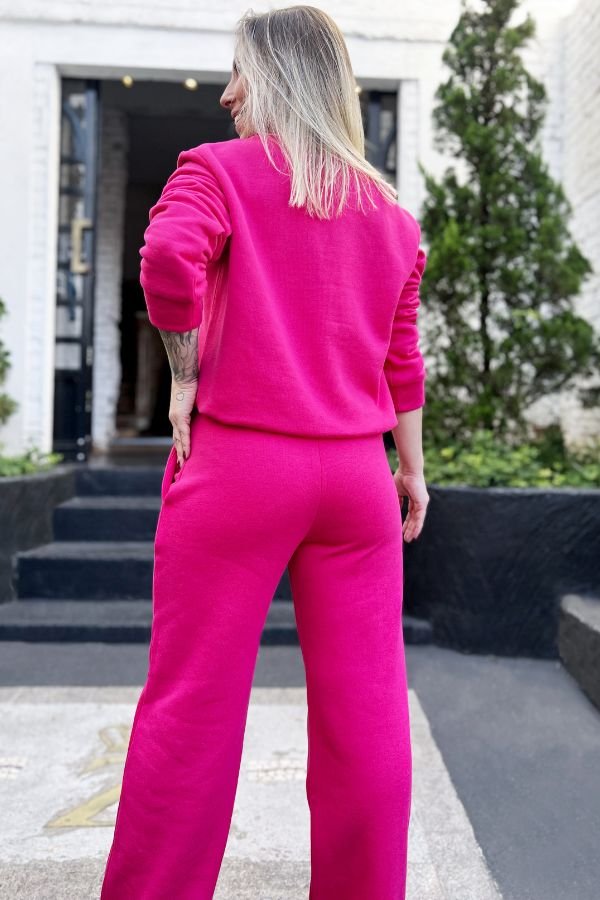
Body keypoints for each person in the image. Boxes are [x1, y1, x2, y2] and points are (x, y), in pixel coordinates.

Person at [100, 5, 430, 899]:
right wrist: (412, 470)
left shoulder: (217, 171)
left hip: (240, 469)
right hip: (358, 479)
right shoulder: (391, 214)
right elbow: (402, 356)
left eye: (240, 71)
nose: (226, 92)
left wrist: (182, 375)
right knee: (367, 715)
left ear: (278, 79)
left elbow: (167, 258)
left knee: (192, 711)